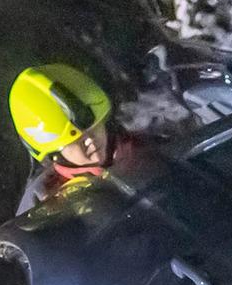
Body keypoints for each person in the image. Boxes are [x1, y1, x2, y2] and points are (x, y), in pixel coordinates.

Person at [10, 64, 139, 212]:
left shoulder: (147, 143)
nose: (90, 140)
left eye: (93, 127)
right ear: (54, 154)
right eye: (75, 140)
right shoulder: (45, 204)